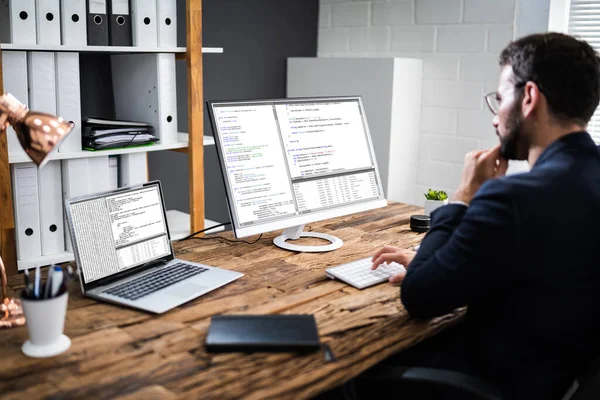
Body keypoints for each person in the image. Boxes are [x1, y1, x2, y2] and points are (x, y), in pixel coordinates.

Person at [370, 32, 600, 399]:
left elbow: (419, 295)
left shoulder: (512, 197)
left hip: (490, 381)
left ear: (528, 98)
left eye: (499, 98)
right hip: (559, 380)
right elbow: (544, 267)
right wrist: (453, 256)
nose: (496, 119)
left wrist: (462, 196)